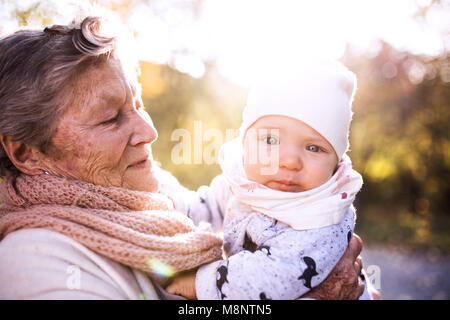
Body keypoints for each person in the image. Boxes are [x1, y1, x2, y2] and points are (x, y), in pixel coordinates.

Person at [0, 16, 365, 300]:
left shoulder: (148, 197)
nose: (149, 131)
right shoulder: (35, 262)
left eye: (138, 104)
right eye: (110, 117)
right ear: (25, 152)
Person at [166, 61, 378, 300]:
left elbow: (270, 277)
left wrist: (199, 284)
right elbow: (206, 205)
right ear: (245, 142)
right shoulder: (242, 182)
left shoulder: (322, 217)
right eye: (270, 140)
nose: (289, 161)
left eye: (313, 147)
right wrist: (170, 208)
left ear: (336, 163)